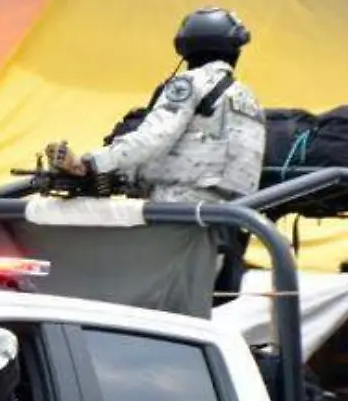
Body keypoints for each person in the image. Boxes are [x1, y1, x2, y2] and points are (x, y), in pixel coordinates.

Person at [46, 8, 264, 296]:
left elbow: (153, 138)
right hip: (225, 225)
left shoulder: (191, 83)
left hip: (177, 216)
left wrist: (92, 162)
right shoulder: (248, 99)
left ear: (187, 48)